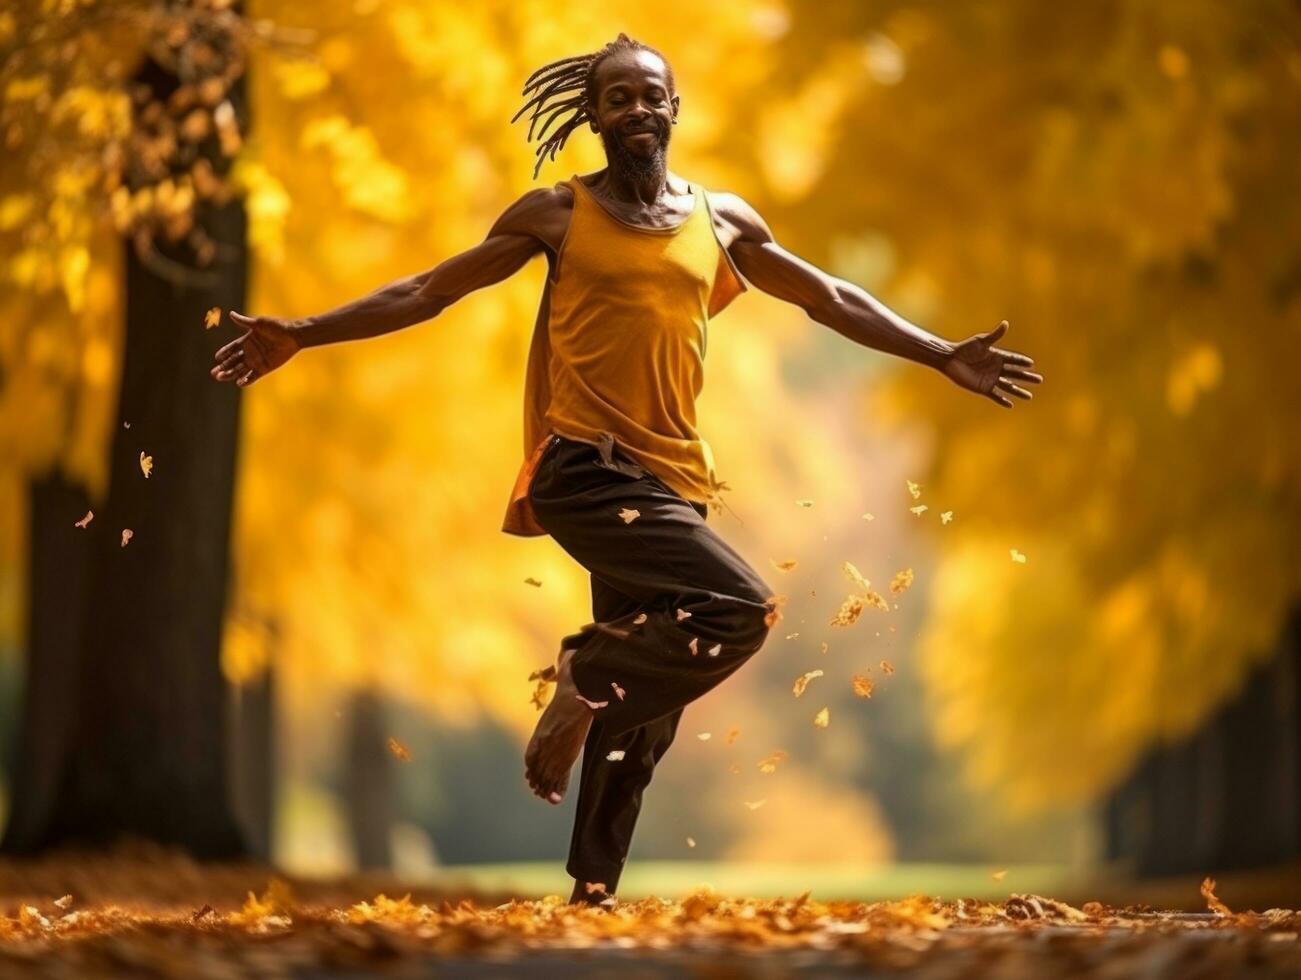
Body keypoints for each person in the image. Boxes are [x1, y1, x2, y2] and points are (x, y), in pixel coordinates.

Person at [210, 33, 1042, 905]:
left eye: (652, 95)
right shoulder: (556, 215)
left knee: (643, 718)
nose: (637, 109)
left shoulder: (720, 221)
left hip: (676, 480)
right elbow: (427, 291)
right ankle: (582, 675)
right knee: (738, 607)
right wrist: (303, 333)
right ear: (594, 118)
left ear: (674, 110)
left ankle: (592, 894)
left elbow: (829, 296)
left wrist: (939, 352)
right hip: (584, 468)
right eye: (618, 98)